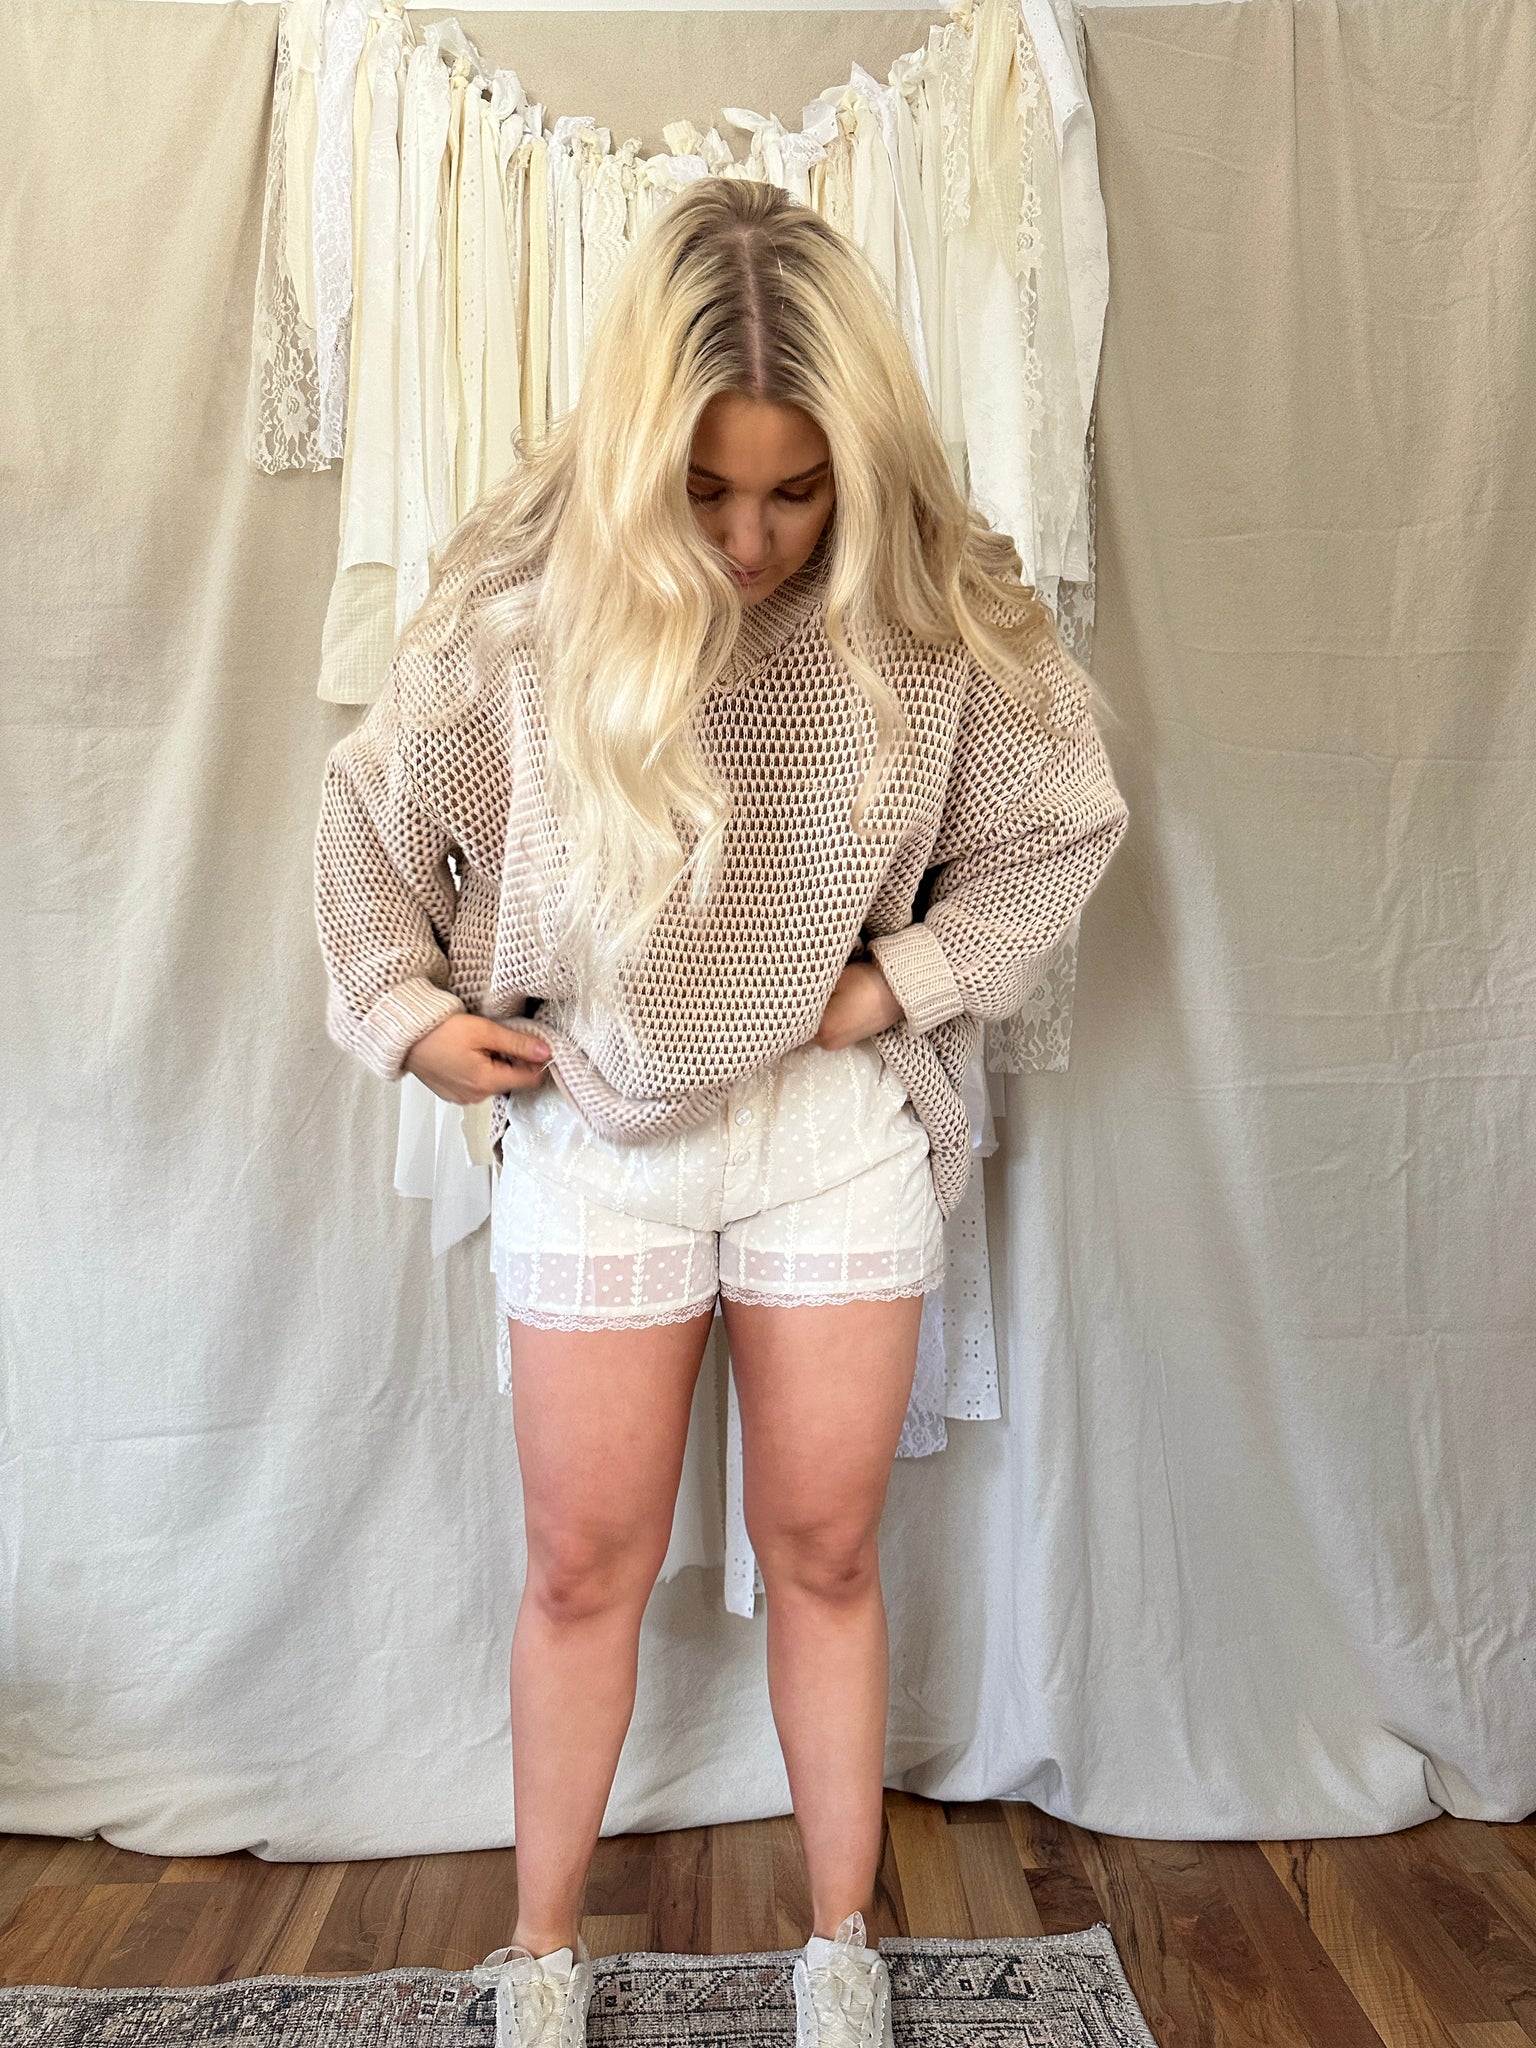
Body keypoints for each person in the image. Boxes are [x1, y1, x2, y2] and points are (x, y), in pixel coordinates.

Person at [313, 178, 1129, 2048]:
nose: (753, 539)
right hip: (598, 1136)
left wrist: (889, 987)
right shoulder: (526, 612)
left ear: (855, 466)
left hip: (831, 1137)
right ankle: (540, 1959)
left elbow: (1063, 824)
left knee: (824, 1556)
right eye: (705, 491)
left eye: (796, 491)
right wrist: (412, 1019)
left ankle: (840, 1947)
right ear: (637, 460)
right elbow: (366, 820)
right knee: (580, 1569)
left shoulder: (922, 615)